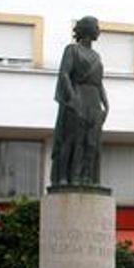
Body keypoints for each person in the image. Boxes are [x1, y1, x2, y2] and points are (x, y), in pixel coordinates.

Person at [50, 16, 109, 187]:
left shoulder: (96, 56)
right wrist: (73, 98)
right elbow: (64, 74)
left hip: (94, 99)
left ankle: (88, 178)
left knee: (92, 142)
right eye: (96, 26)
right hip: (78, 94)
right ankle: (65, 177)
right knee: (72, 139)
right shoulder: (72, 50)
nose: (99, 30)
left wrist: (106, 104)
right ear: (87, 29)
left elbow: (99, 83)